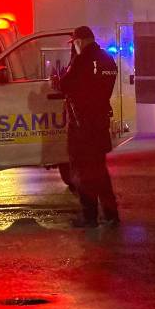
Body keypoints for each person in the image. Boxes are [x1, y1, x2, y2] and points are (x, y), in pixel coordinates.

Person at [55, 26, 120, 228]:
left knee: (82, 172)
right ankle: (111, 214)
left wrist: (57, 79)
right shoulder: (108, 60)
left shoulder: (81, 60)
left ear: (80, 41)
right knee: (100, 170)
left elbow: (65, 85)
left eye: (74, 43)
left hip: (81, 125)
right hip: (99, 123)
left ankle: (89, 216)